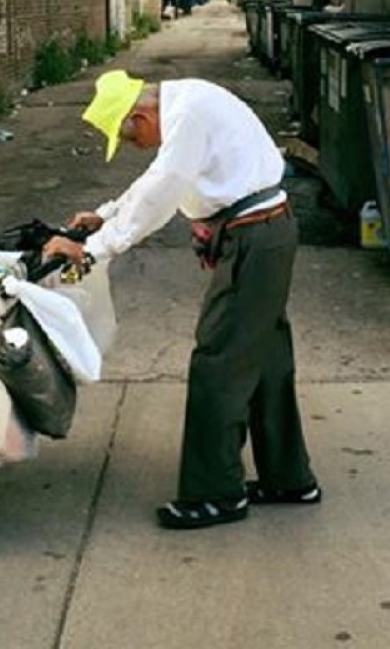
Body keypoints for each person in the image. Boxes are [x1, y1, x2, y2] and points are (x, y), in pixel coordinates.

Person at [43, 69, 320, 530]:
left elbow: (163, 189)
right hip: (264, 233)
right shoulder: (185, 103)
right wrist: (106, 214)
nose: (137, 146)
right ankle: (289, 480)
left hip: (253, 240)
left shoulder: (187, 113)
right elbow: (158, 177)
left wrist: (92, 250)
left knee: (218, 361)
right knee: (266, 361)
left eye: (131, 138)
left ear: (141, 113)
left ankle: (216, 494)